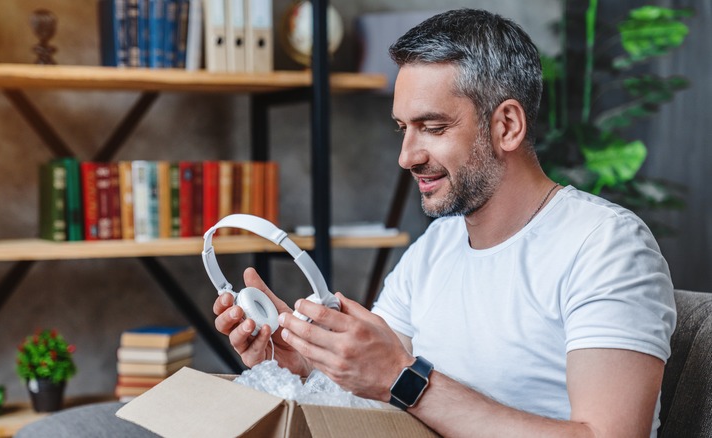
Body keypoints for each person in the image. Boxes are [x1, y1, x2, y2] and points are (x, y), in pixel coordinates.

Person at [213, 8, 675, 438]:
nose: (407, 156)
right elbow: (374, 380)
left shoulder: (606, 245)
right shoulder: (438, 247)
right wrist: (301, 364)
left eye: (432, 128)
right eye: (403, 128)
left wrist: (403, 379)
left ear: (507, 126)